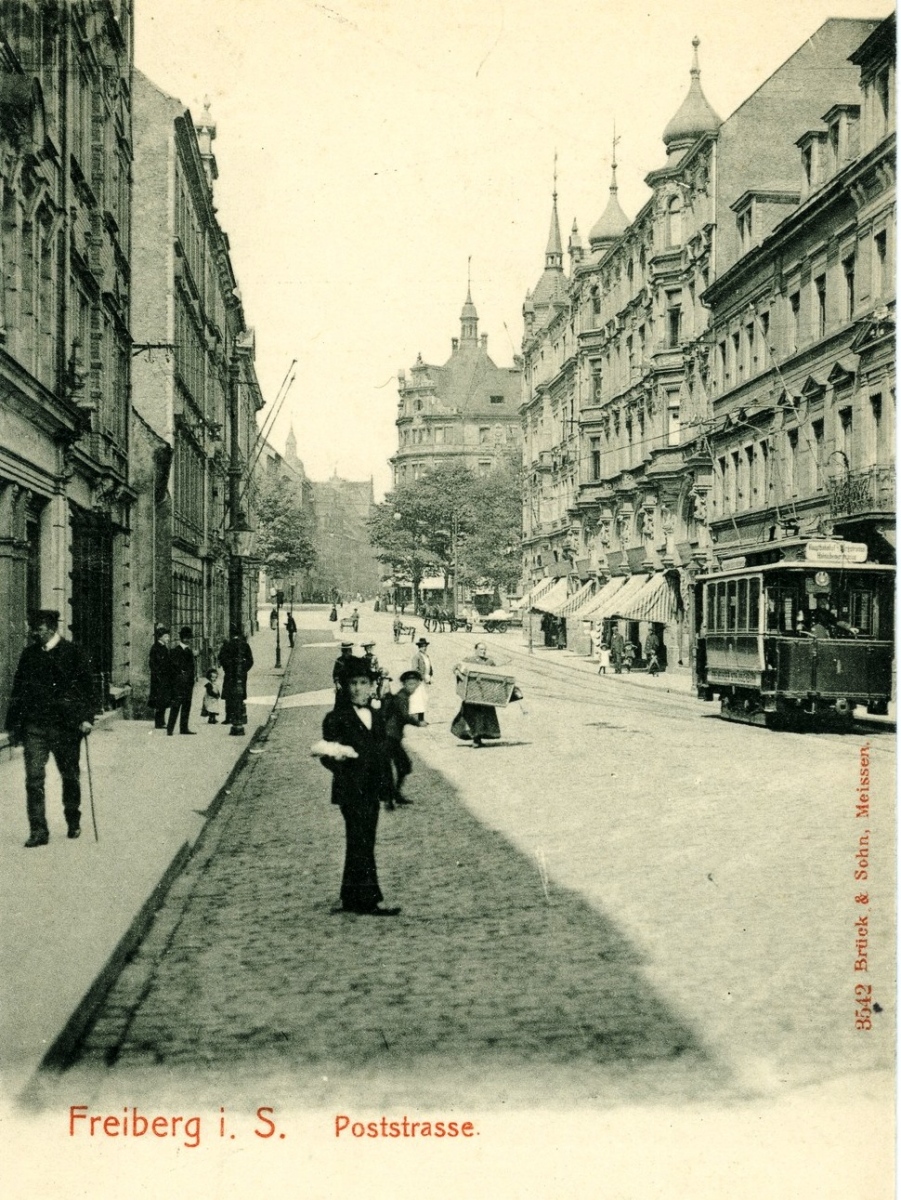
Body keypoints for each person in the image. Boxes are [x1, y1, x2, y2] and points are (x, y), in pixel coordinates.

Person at [5, 610, 95, 847]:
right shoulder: (29, 655)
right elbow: (19, 690)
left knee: (70, 776)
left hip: (65, 728)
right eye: (33, 629)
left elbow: (88, 688)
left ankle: (73, 819)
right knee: (34, 779)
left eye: (38, 629)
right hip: (35, 727)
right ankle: (38, 831)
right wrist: (13, 727)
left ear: (52, 628)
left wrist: (86, 718)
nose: (34, 633)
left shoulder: (73, 653)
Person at [318, 658, 399, 916]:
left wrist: (388, 791)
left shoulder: (376, 716)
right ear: (345, 686)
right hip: (350, 791)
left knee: (361, 841)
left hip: (372, 790)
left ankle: (351, 896)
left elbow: (383, 755)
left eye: (363, 683)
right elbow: (325, 754)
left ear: (372, 686)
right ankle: (370, 900)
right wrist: (340, 762)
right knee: (361, 840)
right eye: (352, 683)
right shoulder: (336, 718)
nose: (357, 688)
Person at [381, 670, 421, 808]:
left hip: (392, 737)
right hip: (389, 737)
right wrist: (418, 722)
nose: (413, 686)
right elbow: (405, 715)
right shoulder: (402, 697)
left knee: (400, 766)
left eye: (415, 684)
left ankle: (393, 796)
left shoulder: (402, 696)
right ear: (404, 684)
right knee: (402, 766)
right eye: (410, 684)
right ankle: (392, 797)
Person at [452, 641, 502, 749]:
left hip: (485, 696)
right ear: (475, 650)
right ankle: (475, 739)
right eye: (481, 649)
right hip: (472, 695)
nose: (483, 652)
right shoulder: (468, 661)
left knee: (485, 719)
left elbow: (497, 675)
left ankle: (478, 738)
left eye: (484, 650)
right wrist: (459, 674)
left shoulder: (489, 662)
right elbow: (456, 667)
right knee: (472, 717)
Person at [219, 626, 254, 732]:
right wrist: (244, 669)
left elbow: (221, 658)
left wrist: (227, 669)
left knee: (229, 695)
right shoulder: (244, 645)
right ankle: (239, 716)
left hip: (230, 674)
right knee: (239, 694)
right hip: (240, 674)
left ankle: (228, 717)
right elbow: (250, 660)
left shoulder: (227, 645)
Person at [167, 626, 197, 735]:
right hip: (179, 684)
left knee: (186, 705)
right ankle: (170, 729)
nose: (188, 640)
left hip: (188, 683)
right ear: (182, 638)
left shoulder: (189, 651)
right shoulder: (176, 651)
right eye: (186, 638)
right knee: (176, 705)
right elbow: (174, 667)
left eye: (189, 638)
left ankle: (184, 728)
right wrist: (181, 674)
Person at [148, 625, 172, 728]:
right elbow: (153, 664)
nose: (168, 638)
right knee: (159, 700)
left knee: (163, 700)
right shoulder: (156, 648)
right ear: (160, 637)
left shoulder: (163, 648)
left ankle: (162, 721)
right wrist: (158, 675)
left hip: (164, 678)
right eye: (166, 636)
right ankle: (159, 722)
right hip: (159, 679)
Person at [409, 637, 433, 726]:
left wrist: (430, 676)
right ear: (419, 647)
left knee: (424, 699)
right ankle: (419, 720)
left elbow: (429, 667)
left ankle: (420, 719)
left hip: (426, 680)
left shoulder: (426, 656)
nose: (424, 648)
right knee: (419, 700)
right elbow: (415, 670)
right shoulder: (416, 657)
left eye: (425, 646)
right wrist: (423, 677)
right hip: (419, 681)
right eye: (422, 646)